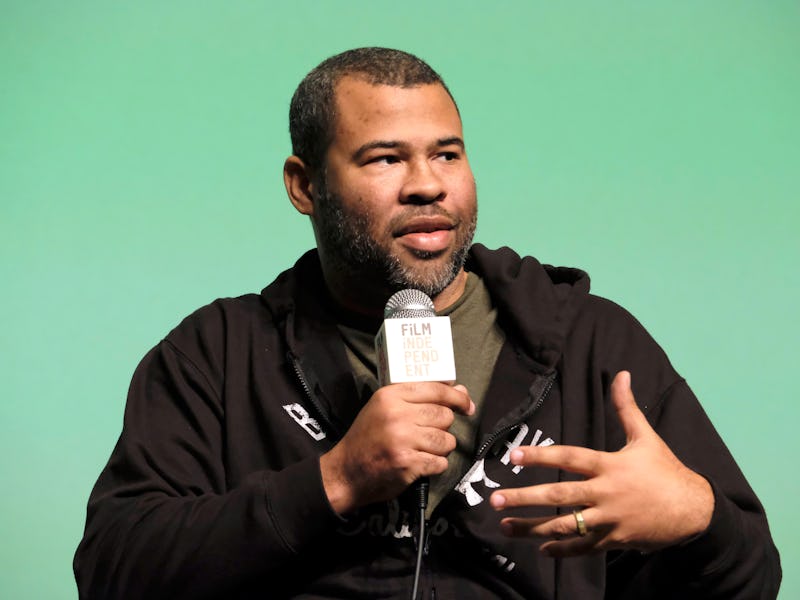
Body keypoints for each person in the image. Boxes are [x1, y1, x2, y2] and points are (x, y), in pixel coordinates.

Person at [74, 47, 781, 599]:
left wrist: (700, 519)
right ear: (303, 184)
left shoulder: (593, 343)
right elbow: (113, 572)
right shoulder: (217, 355)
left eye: (447, 153)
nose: (429, 183)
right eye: (386, 158)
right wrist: (334, 481)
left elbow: (750, 578)